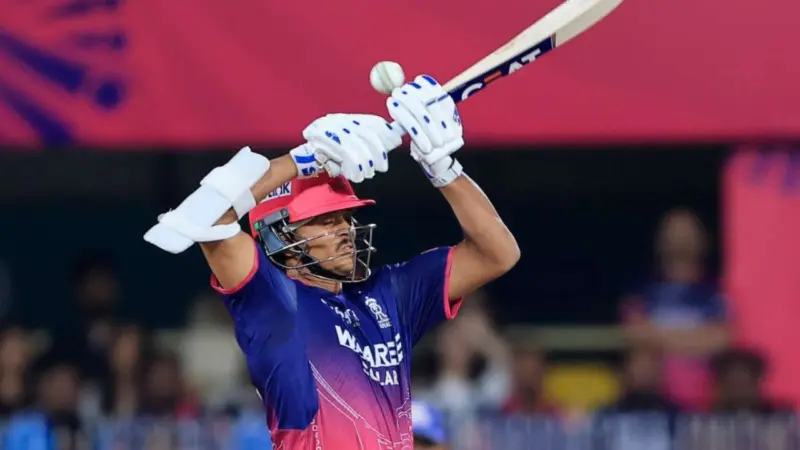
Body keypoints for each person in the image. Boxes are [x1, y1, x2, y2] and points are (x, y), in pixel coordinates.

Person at [144, 74, 520, 448]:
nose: (344, 229)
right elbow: (205, 218)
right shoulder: (273, 302)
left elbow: (497, 254)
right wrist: (301, 161)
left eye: (345, 216)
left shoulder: (390, 295)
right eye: (325, 220)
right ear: (280, 236)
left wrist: (442, 168)